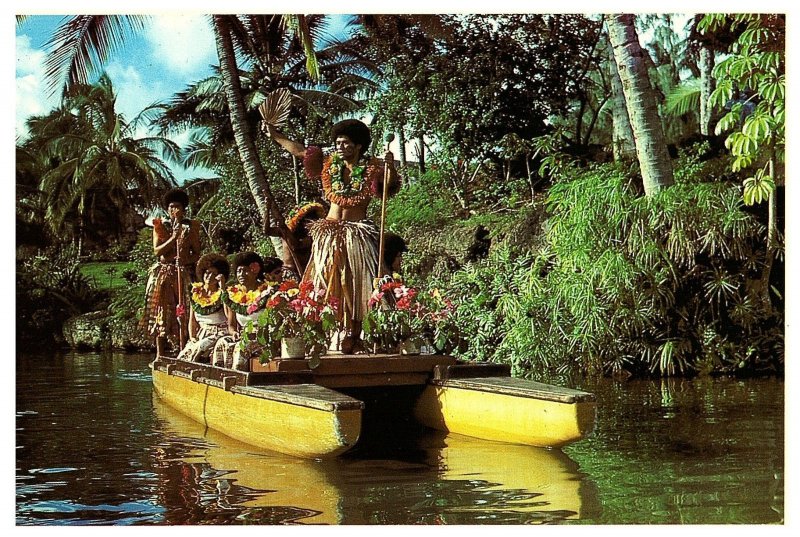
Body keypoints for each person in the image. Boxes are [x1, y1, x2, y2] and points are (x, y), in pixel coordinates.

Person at [264, 119, 401, 353]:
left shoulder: (373, 168)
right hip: (328, 233)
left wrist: (391, 167)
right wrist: (275, 135)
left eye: (345, 143)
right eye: (337, 142)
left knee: (357, 284)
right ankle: (318, 334)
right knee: (321, 282)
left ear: (358, 146)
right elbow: (299, 151)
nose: (339, 147)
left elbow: (388, 187)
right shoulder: (329, 164)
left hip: (357, 233)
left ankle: (355, 335)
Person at [141, 188, 201, 357]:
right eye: (171, 207)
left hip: (183, 272)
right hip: (164, 273)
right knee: (162, 312)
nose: (174, 210)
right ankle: (160, 356)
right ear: (167, 210)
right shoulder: (160, 226)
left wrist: (186, 261)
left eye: (178, 207)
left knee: (185, 311)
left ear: (183, 209)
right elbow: (157, 251)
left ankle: (184, 351)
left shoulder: (192, 227)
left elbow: (196, 252)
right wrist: (173, 238)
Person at [212, 252, 282, 370]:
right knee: (222, 343)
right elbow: (231, 325)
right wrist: (234, 333)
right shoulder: (234, 295)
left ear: (255, 271)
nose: (241, 275)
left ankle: (238, 380)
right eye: (239, 271)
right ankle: (222, 379)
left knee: (241, 347)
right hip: (243, 335)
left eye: (245, 271)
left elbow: (275, 322)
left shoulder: (267, 292)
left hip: (264, 337)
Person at [177, 253, 230, 363]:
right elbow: (192, 320)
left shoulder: (224, 293)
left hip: (219, 333)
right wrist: (192, 337)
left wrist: (223, 288)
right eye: (207, 272)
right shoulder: (196, 292)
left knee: (200, 348)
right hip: (201, 333)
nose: (210, 276)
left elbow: (229, 316)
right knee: (183, 355)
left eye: (214, 274)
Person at [280, 201, 327, 280]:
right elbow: (296, 246)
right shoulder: (289, 235)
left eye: (315, 220)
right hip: (292, 273)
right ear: (302, 222)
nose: (312, 224)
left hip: (307, 272)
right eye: (308, 221)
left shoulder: (311, 237)